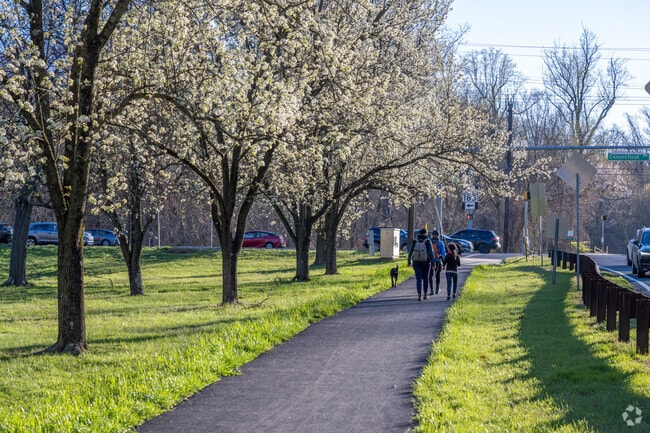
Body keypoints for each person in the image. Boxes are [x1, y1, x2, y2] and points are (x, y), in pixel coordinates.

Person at [407, 228, 435, 301]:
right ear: (426, 233)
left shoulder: (415, 241)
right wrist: (433, 263)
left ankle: (419, 295)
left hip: (416, 262)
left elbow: (410, 252)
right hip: (426, 262)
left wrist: (409, 261)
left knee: (418, 279)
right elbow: (431, 253)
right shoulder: (428, 241)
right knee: (426, 278)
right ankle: (425, 295)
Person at [428, 230, 446, 295]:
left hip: (430, 261)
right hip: (438, 261)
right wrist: (444, 263)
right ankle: (437, 289)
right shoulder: (441, 243)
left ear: (432, 235)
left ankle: (431, 289)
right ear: (438, 235)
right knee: (437, 276)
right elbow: (443, 254)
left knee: (430, 275)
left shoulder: (429, 242)